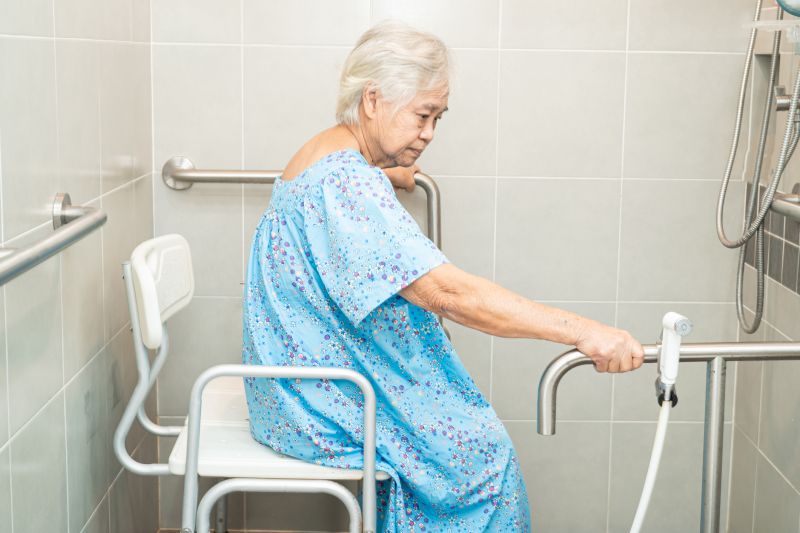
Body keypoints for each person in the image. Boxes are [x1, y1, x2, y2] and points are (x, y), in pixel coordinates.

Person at [242, 21, 644, 532]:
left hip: (286, 389)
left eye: (438, 117)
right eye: (422, 115)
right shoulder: (348, 188)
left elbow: (336, 198)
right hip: (320, 404)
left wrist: (389, 173)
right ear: (372, 100)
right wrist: (584, 332)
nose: (430, 132)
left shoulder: (326, 155)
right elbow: (446, 294)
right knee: (481, 463)